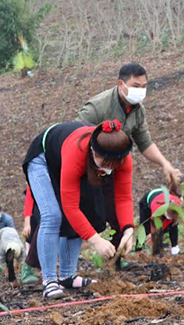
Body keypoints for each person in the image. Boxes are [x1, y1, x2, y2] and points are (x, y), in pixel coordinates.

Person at [23, 120, 134, 299]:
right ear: (93, 151)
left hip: (68, 160)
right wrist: (96, 241)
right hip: (43, 159)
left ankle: (67, 277)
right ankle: (49, 280)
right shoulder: (78, 152)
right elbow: (70, 207)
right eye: (106, 162)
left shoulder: (123, 158)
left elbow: (123, 198)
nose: (110, 168)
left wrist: (128, 229)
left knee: (86, 209)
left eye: (115, 164)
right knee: (52, 215)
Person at [77, 63, 183, 247]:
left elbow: (145, 143)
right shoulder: (98, 107)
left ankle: (117, 259)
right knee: (68, 215)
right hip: (87, 169)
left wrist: (165, 164)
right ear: (121, 84)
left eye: (143, 87)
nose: (140, 91)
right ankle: (34, 263)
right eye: (135, 86)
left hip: (113, 169)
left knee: (117, 215)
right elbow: (76, 138)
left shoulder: (138, 110)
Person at [137, 188, 182, 255]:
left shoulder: (177, 203)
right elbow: (155, 229)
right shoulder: (156, 208)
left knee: (173, 226)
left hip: (163, 196)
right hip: (147, 203)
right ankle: (138, 249)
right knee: (145, 228)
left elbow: (174, 223)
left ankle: (174, 248)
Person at [20, 186, 39, 284]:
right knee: (32, 240)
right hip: (34, 216)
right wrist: (26, 223)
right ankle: (29, 268)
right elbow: (28, 201)